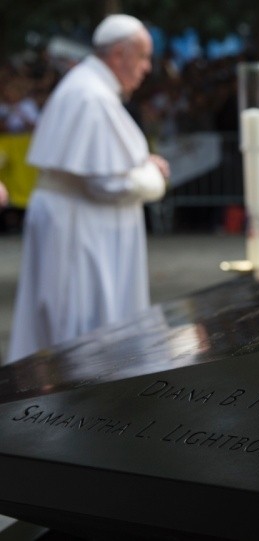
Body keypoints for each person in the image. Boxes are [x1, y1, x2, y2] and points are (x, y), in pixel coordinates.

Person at [6, 14, 169, 364]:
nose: (146, 68)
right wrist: (152, 178)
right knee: (78, 330)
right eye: (142, 57)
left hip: (78, 222)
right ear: (118, 55)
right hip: (77, 229)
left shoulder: (88, 88)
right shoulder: (90, 96)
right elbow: (107, 181)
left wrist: (140, 166)